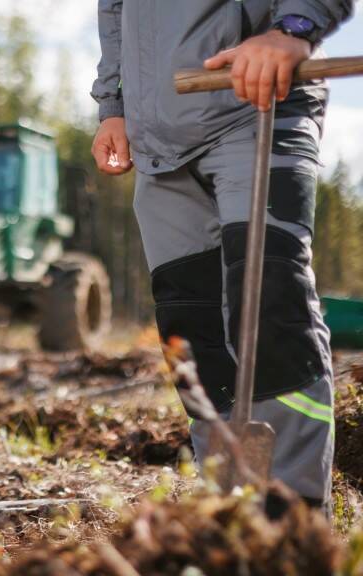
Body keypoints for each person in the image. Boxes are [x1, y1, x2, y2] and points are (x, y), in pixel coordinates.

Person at [92, 0, 353, 510]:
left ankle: (290, 520)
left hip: (258, 109)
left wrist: (292, 28)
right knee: (191, 333)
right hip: (159, 142)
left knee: (268, 301)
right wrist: (114, 107)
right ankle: (231, 506)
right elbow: (115, 11)